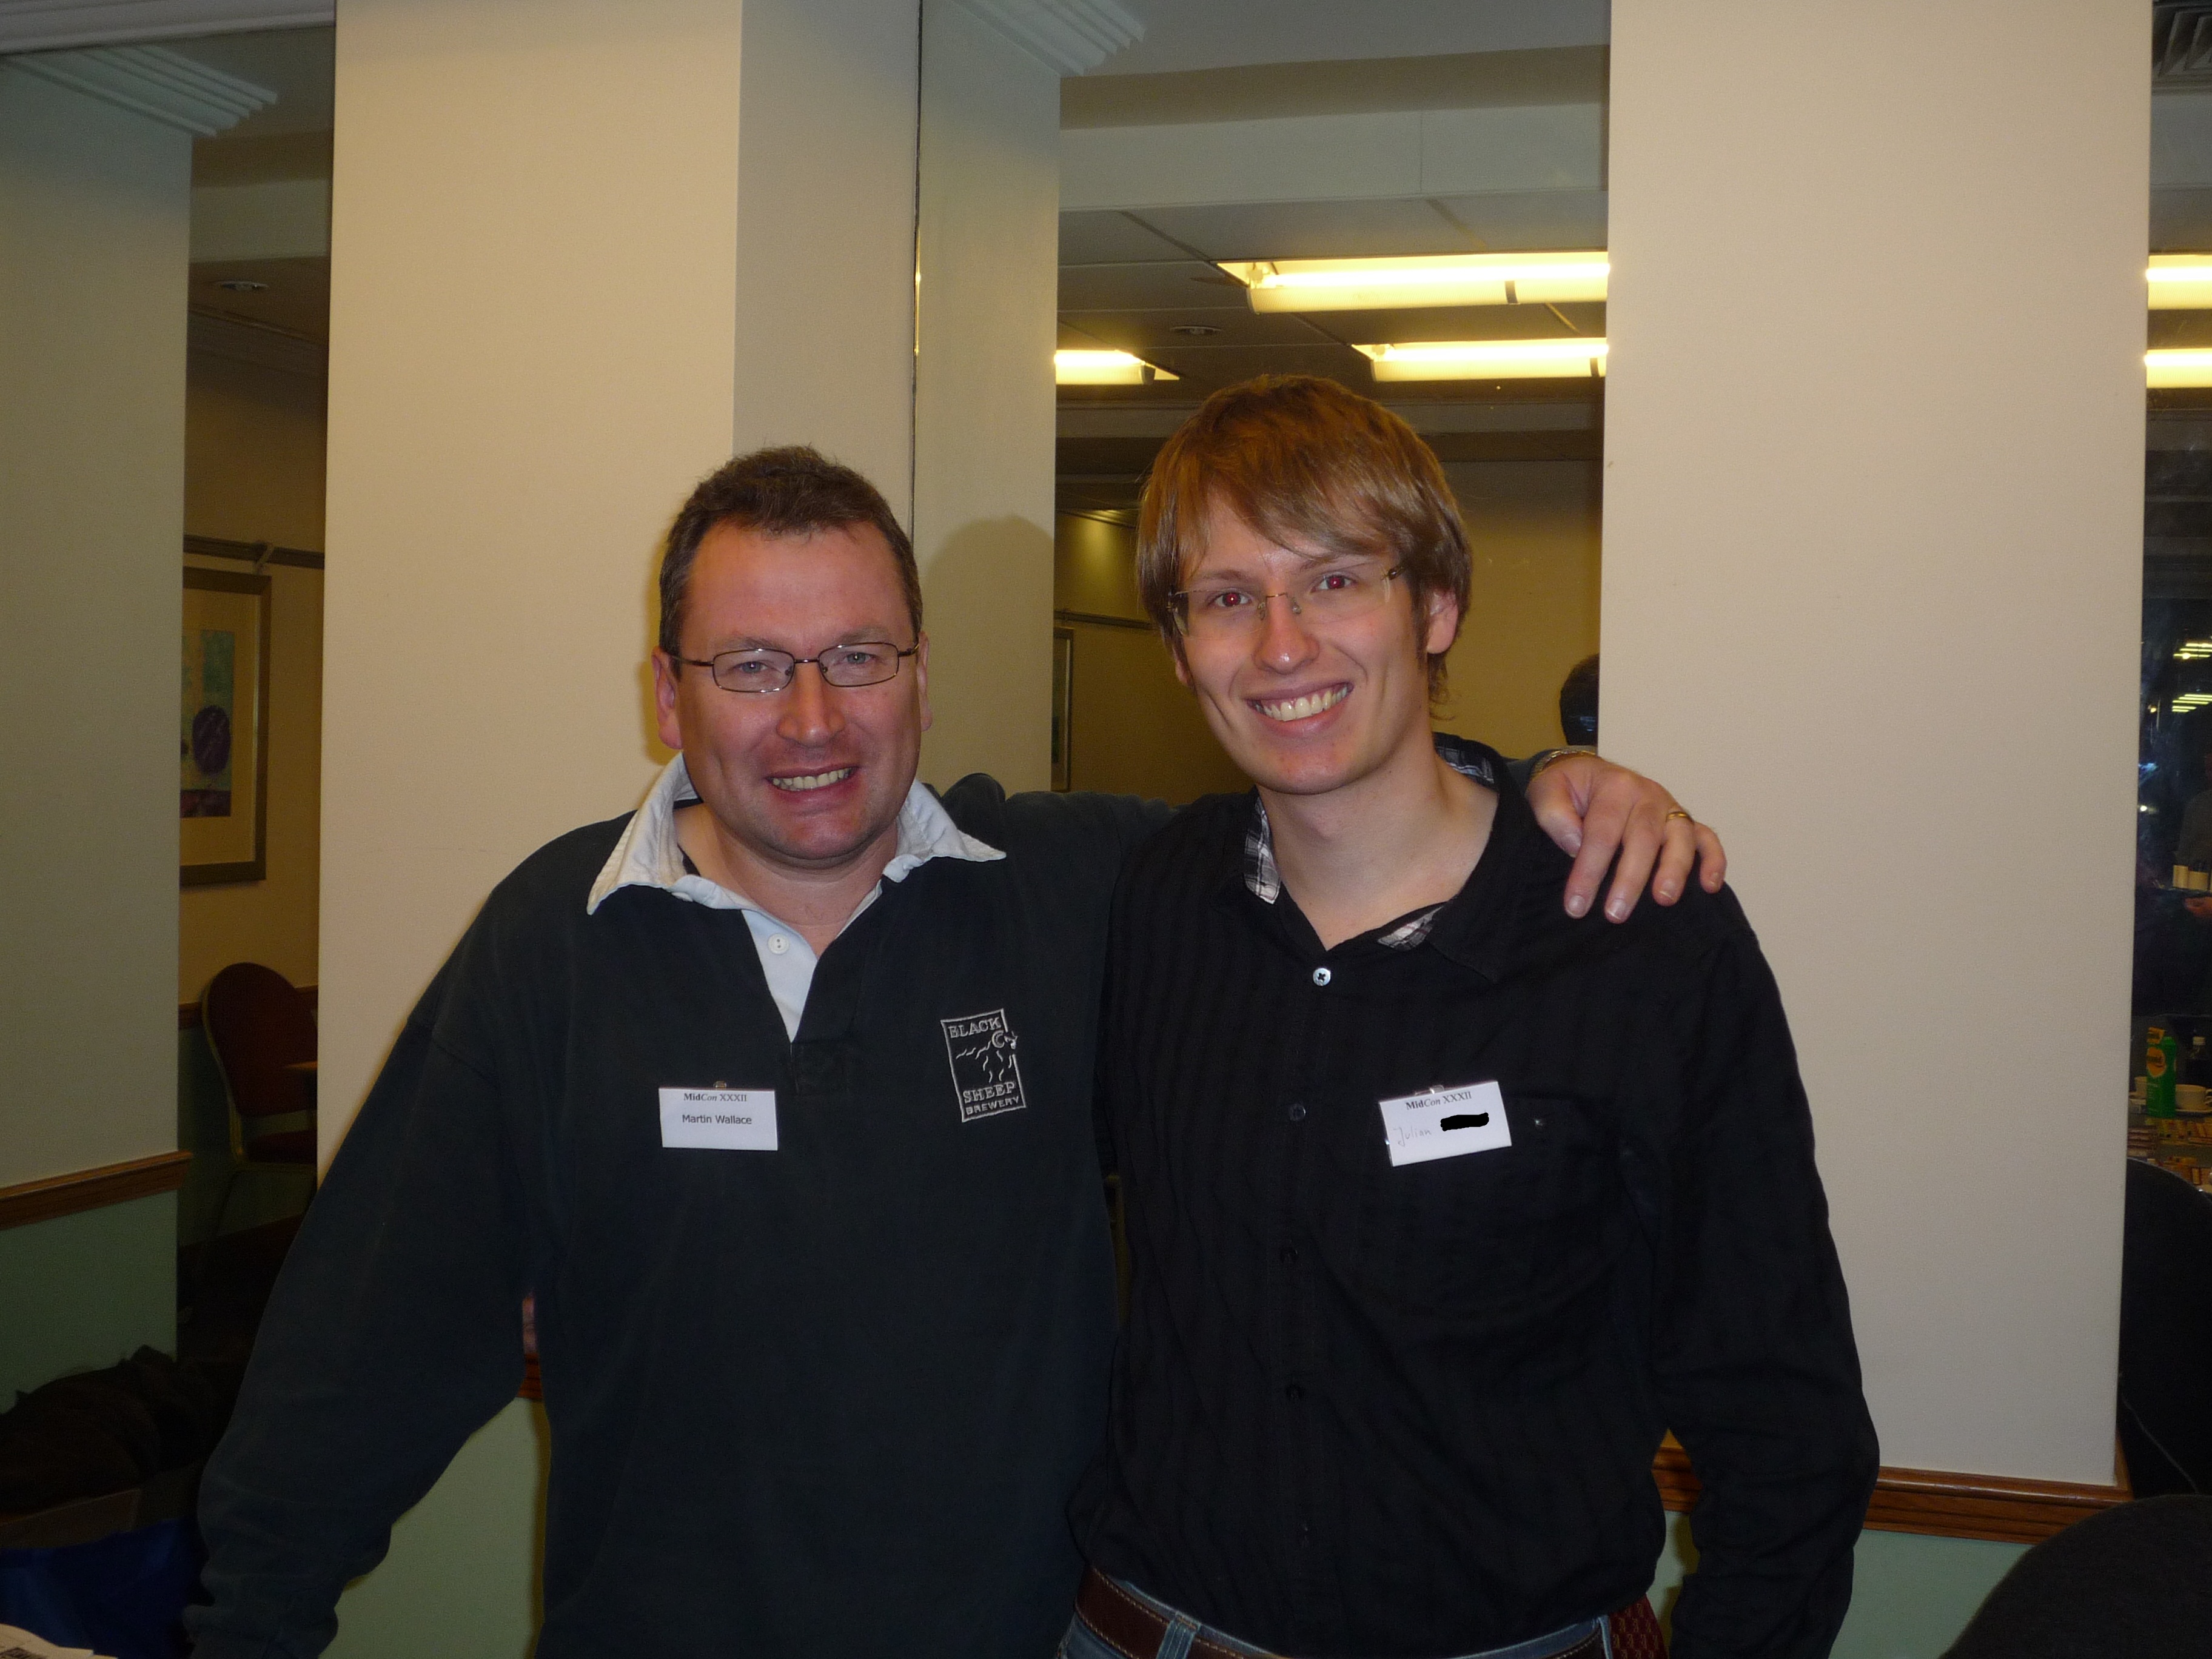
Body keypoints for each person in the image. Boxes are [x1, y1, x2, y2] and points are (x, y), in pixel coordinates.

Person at [189, 447, 1721, 1659]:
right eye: (750, 666)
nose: (811, 719)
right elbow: (365, 1349)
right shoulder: (556, 945)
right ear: (666, 694)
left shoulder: (1082, 891)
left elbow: (1343, 805)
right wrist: (250, 1629)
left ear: (922, 675)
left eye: (858, 656)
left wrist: (1541, 783)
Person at [1068, 378, 1877, 1659]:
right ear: (1179, 648)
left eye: (1336, 580)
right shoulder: (1152, 898)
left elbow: (1785, 1415)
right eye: (1226, 598)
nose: (1281, 645)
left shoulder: (1636, 935)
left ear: (1436, 605)